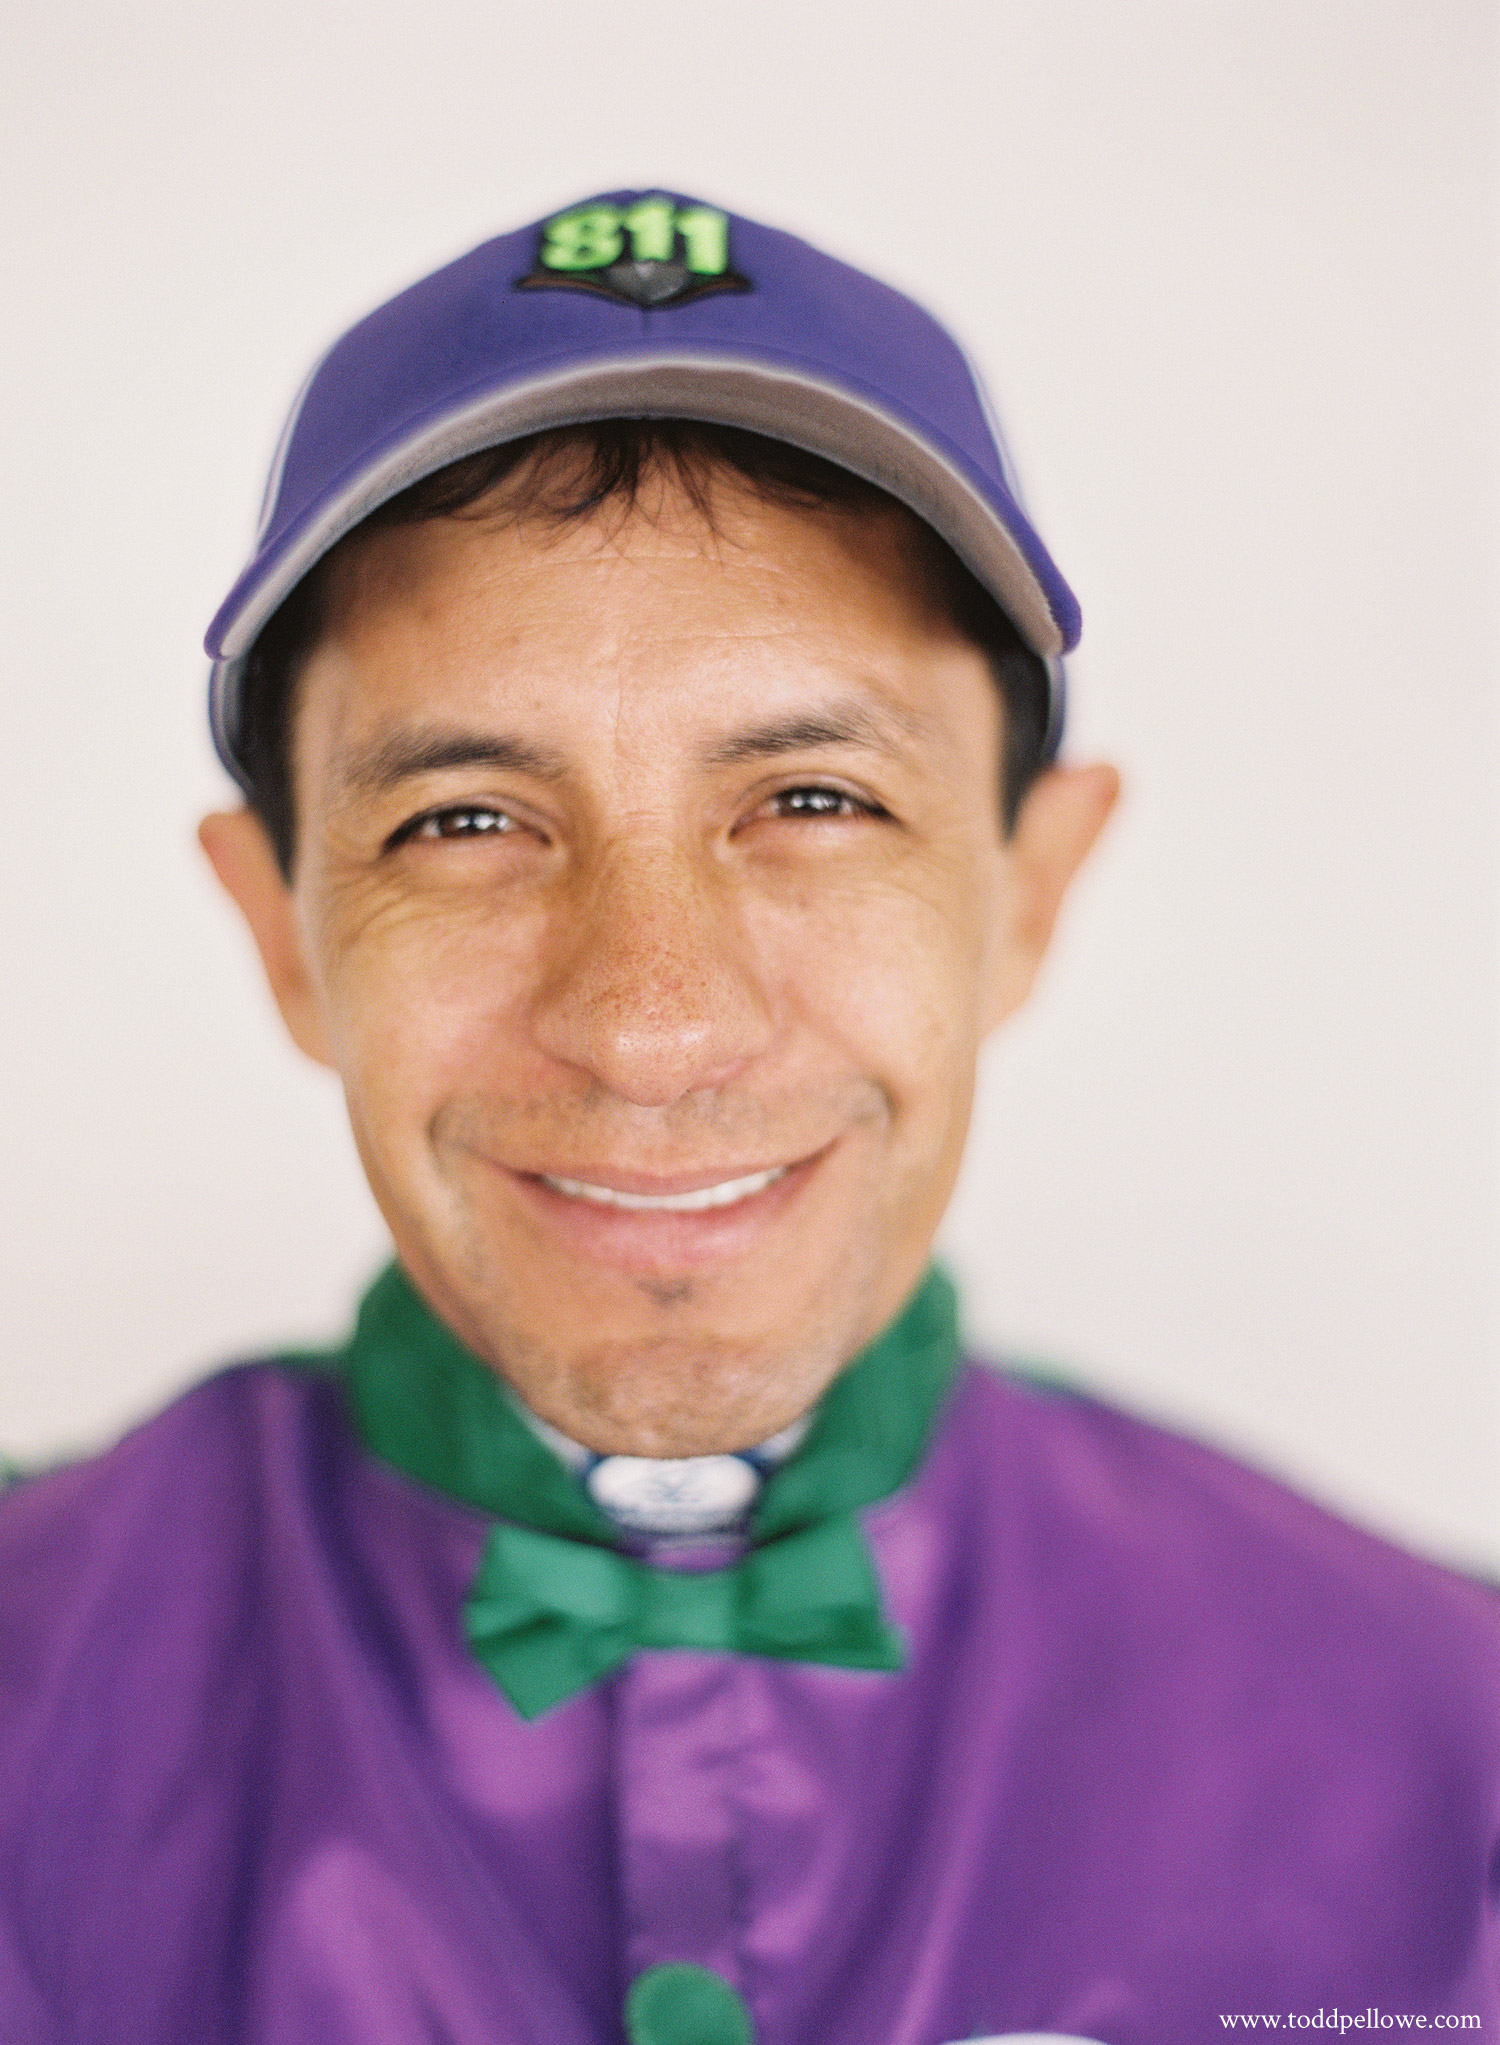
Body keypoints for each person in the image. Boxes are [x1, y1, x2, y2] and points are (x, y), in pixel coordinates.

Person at [1, 190, 1496, 2045]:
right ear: (282, 933)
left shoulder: (1463, 1755)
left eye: (815, 799)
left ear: (1028, 890)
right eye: (464, 822)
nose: (651, 1025)